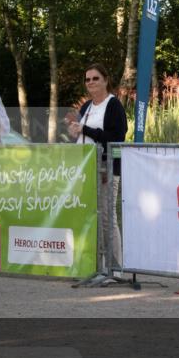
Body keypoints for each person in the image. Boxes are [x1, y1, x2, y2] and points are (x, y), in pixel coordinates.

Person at [65, 64, 128, 270]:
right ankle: (96, 266)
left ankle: (114, 268)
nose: (91, 82)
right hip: (86, 169)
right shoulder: (86, 107)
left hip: (106, 169)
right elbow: (83, 134)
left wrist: (86, 130)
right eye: (88, 79)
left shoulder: (114, 105)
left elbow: (116, 138)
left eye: (95, 78)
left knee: (108, 218)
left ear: (106, 80)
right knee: (92, 218)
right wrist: (75, 132)